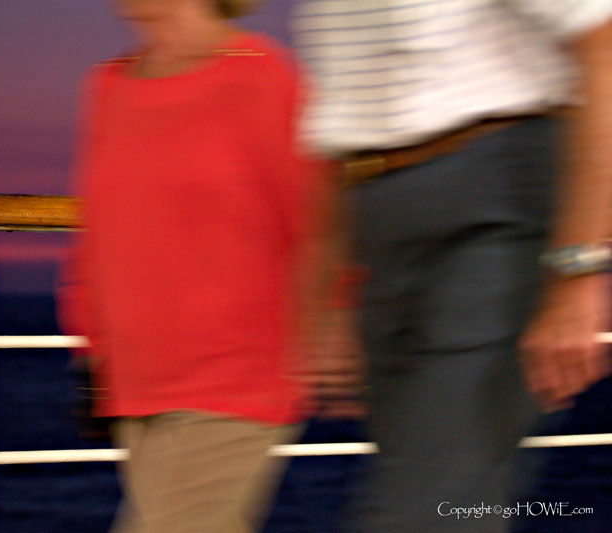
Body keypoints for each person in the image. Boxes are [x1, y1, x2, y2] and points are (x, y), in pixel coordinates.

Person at [291, 1, 612, 532]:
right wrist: (327, 296)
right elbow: (339, 127)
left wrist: (577, 270)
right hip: (383, 239)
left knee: (423, 513)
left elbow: (601, 48)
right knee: (446, 503)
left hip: (492, 217)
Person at [57, 1, 326, 531]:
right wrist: (91, 348)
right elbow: (100, 228)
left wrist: (333, 319)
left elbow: (319, 217)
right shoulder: (108, 85)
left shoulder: (261, 77)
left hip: (237, 375)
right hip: (136, 379)